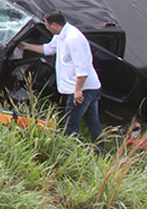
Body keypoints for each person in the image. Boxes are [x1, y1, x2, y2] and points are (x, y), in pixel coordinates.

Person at [19, 9, 104, 152]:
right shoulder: (61, 35)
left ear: (54, 25)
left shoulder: (73, 39)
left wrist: (78, 91)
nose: (47, 29)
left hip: (83, 90)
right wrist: (27, 46)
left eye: (47, 26)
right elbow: (49, 49)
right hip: (87, 87)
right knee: (92, 121)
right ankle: (101, 150)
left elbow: (82, 69)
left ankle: (72, 154)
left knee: (70, 124)